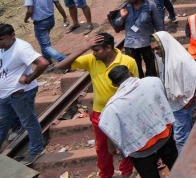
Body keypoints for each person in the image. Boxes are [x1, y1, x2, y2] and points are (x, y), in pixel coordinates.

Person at [57, 33, 139, 178]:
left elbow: (135, 87)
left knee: (126, 144)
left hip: (122, 112)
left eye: (96, 50)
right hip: (100, 113)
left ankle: (127, 172)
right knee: (102, 148)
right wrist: (85, 47)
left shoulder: (128, 61)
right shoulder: (91, 60)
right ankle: (106, 174)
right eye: (92, 50)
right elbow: (61, 65)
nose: (93, 53)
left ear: (108, 48)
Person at [98, 66, 178, 178]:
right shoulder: (153, 82)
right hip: (164, 134)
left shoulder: (112, 107)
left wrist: (111, 146)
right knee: (175, 165)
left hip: (140, 149)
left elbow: (107, 125)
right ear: (130, 73)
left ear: (114, 84)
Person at [0, 24, 50, 165]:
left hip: (20, 93)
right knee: (1, 123)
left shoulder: (21, 48)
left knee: (28, 122)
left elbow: (43, 63)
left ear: (12, 35)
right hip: (5, 94)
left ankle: (36, 149)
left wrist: (28, 79)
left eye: (1, 39)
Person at [151, 31, 196, 151]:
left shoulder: (179, 61)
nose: (156, 52)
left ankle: (184, 165)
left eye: (158, 48)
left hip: (181, 105)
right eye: (154, 49)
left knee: (181, 138)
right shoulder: (166, 58)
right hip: (175, 104)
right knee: (185, 132)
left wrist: (189, 101)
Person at [113, 0, 164, 77]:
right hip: (130, 43)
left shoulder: (150, 6)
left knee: (151, 67)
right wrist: (122, 17)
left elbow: (158, 24)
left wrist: (160, 40)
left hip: (147, 42)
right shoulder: (125, 6)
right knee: (134, 68)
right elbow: (116, 24)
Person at [23, 0, 67, 65]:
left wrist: (26, 19)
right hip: (51, 20)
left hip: (40, 23)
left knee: (45, 45)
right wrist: (65, 17)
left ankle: (63, 60)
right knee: (44, 41)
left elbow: (30, 10)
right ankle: (47, 60)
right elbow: (58, 5)